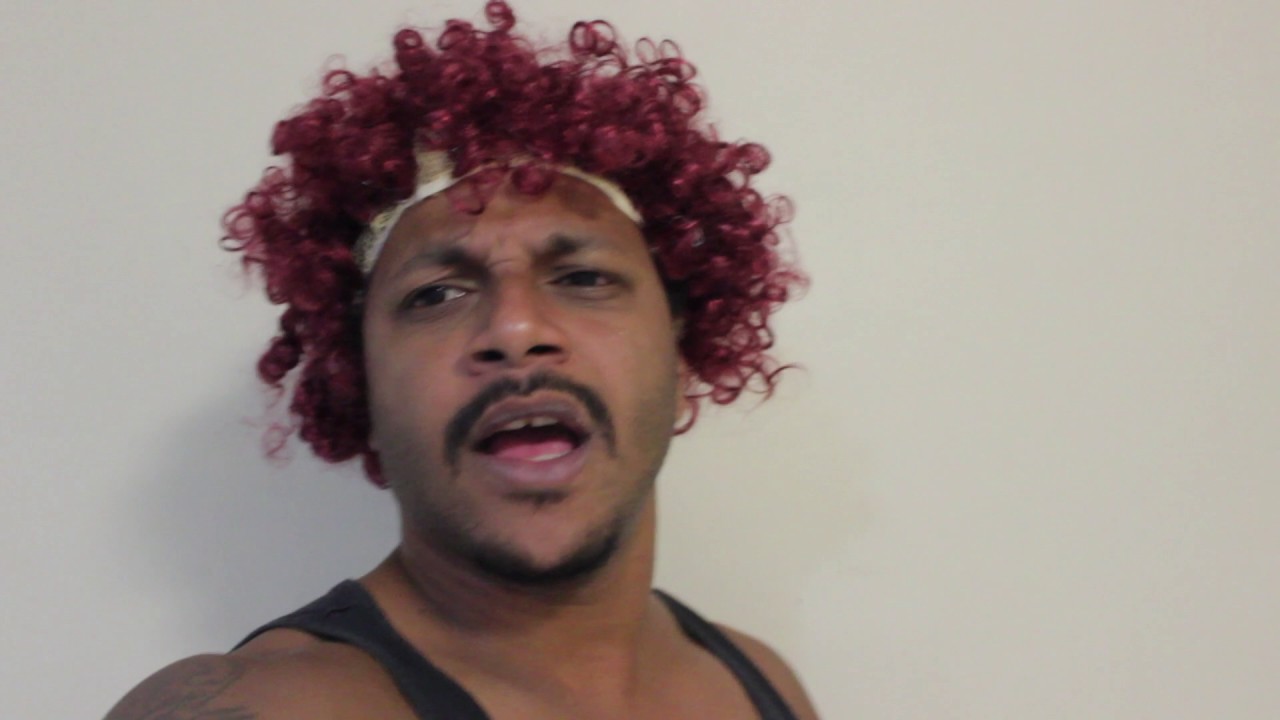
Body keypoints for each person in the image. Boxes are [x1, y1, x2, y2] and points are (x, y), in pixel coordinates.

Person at [106, 2, 815, 718]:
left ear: (682, 354)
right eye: (436, 294)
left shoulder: (759, 685)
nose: (515, 327)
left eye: (582, 278)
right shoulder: (270, 705)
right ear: (359, 385)